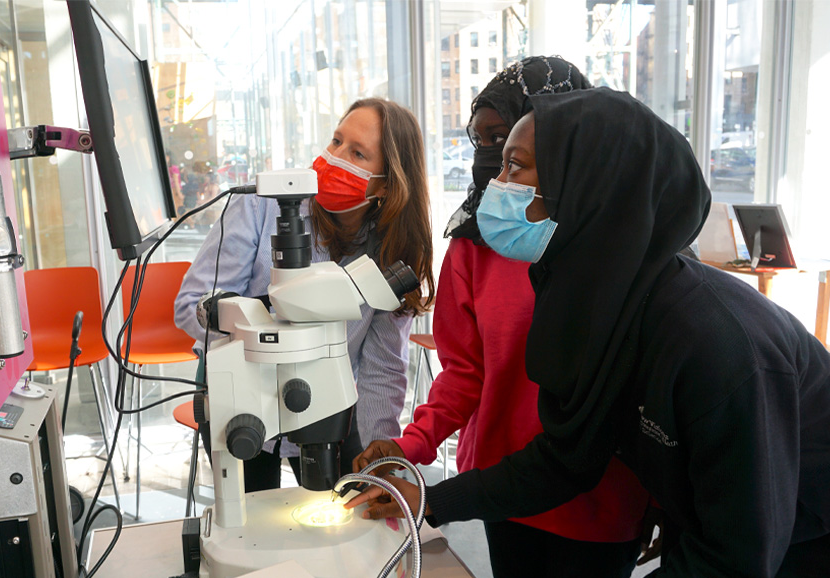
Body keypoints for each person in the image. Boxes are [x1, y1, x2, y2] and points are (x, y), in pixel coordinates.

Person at [347, 87, 830, 577]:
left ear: (587, 183)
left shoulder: (720, 346)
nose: (497, 185)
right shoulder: (591, 302)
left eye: (515, 167)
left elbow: (738, 557)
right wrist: (429, 498)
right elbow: (564, 460)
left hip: (802, 542)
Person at [353, 57, 651, 578]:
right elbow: (464, 372)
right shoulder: (478, 243)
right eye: (484, 140)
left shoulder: (617, 244)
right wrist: (410, 444)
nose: (491, 160)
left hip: (598, 492)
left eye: (508, 145)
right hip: (498, 486)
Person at [175, 97, 435, 492]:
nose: (335, 158)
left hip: (329, 407)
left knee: (341, 520)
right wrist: (257, 326)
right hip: (242, 401)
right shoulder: (259, 207)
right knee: (252, 532)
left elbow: (383, 367)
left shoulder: (390, 252)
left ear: (386, 183)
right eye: (336, 141)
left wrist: (383, 454)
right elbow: (189, 306)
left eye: (358, 153)